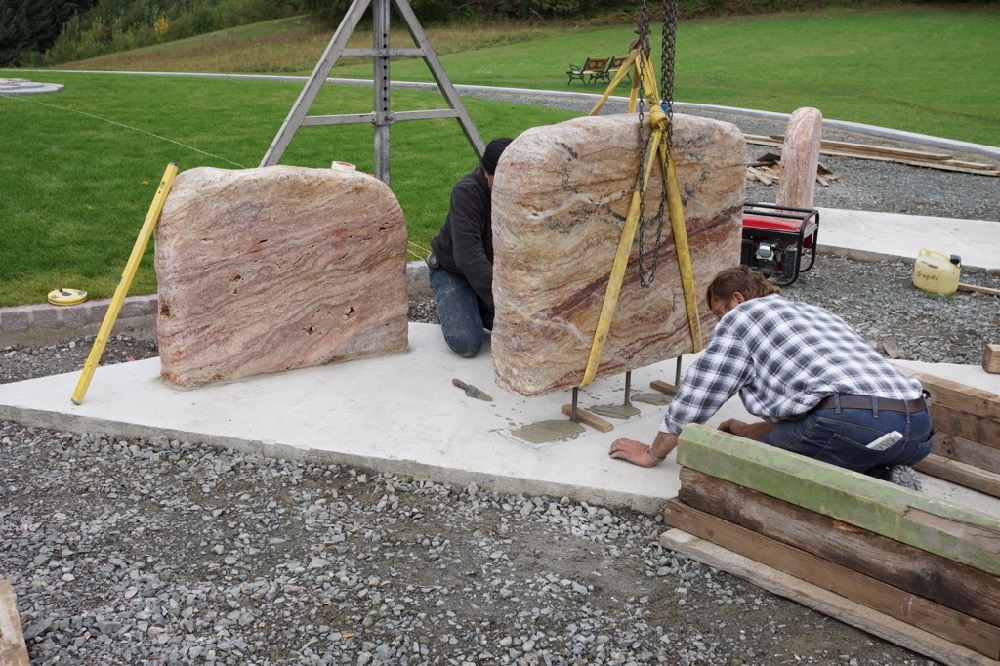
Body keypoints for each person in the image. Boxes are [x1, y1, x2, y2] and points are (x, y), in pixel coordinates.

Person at [608, 265, 933, 490]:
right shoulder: (819, 314)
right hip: (918, 428)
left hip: (849, 424)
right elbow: (821, 397)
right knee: (793, 437)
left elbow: (701, 391)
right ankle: (883, 468)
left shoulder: (742, 316)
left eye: (718, 312)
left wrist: (653, 453)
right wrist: (751, 429)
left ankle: (869, 478)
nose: (720, 322)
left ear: (738, 299)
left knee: (749, 458)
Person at [426, 137, 514, 357]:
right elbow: (468, 256)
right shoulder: (466, 193)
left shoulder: (519, 192)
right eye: (503, 179)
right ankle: (451, 305)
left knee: (524, 330)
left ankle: (473, 304)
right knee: (467, 344)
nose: (511, 186)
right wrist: (502, 302)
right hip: (453, 271)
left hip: (491, 274)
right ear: (487, 172)